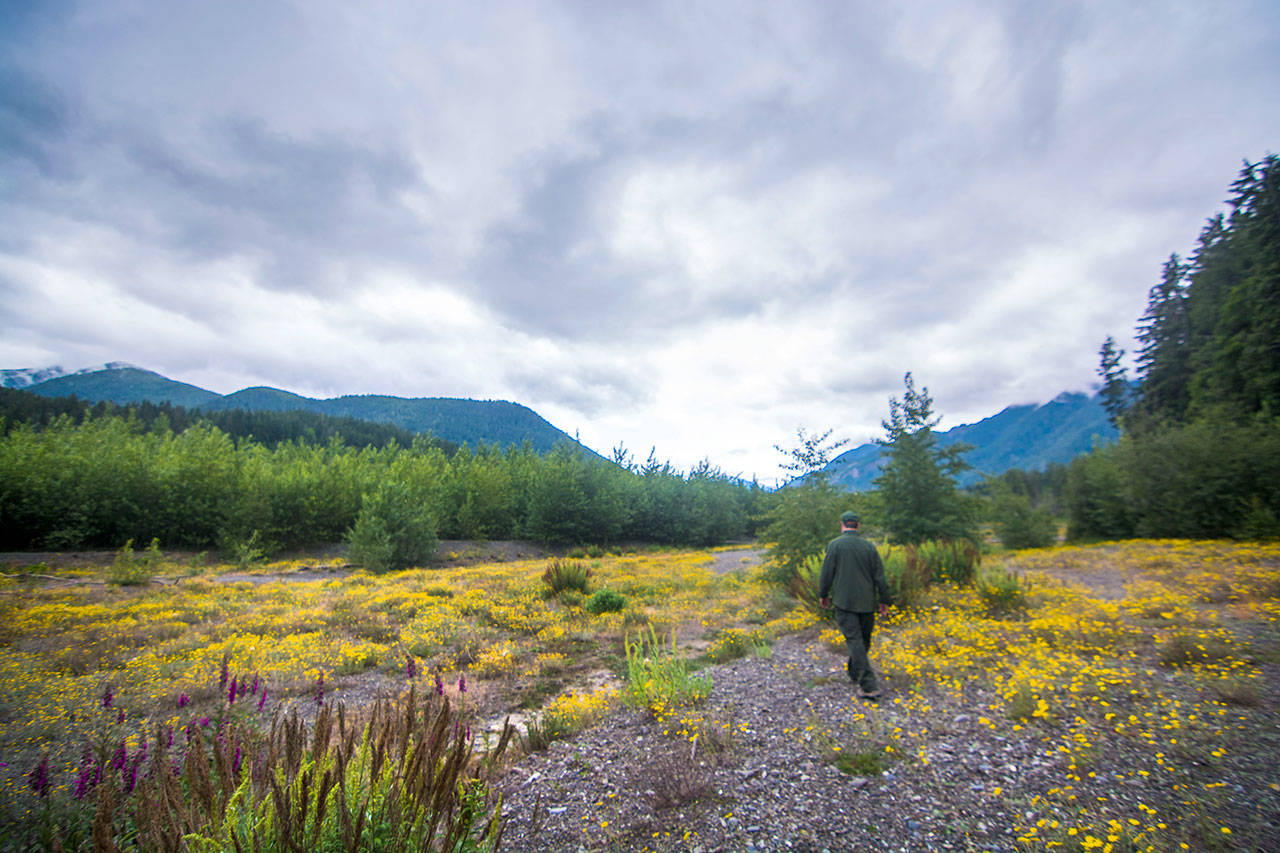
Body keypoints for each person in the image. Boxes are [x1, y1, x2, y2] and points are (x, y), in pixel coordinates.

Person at [819, 510, 893, 699]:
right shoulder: (869, 547)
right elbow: (880, 576)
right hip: (867, 602)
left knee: (856, 641)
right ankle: (858, 675)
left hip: (844, 602)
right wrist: (884, 599)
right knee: (863, 641)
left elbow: (827, 573)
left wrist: (823, 594)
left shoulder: (835, 546)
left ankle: (868, 685)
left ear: (842, 524)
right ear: (858, 526)